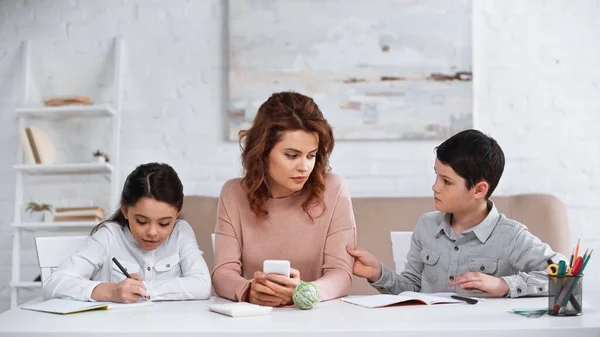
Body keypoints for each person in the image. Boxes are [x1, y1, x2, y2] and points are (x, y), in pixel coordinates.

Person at [347, 129, 566, 298]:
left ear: (479, 189)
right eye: (436, 176)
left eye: (447, 182)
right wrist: (378, 273)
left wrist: (503, 285)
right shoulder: (426, 226)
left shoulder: (510, 236)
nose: (435, 187)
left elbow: (564, 275)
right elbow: (411, 289)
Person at [212, 91, 356, 306]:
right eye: (292, 155)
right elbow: (223, 272)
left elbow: (341, 273)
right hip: (253, 319)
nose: (304, 167)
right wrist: (249, 290)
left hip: (312, 319)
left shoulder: (334, 189)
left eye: (311, 155)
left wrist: (304, 292)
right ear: (263, 151)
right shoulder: (234, 193)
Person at [43, 162, 211, 303]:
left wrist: (144, 290)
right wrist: (110, 291)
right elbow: (53, 284)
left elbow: (202, 284)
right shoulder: (109, 236)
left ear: (177, 213)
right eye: (141, 221)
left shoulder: (181, 232)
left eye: (164, 223)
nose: (152, 232)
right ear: (124, 209)